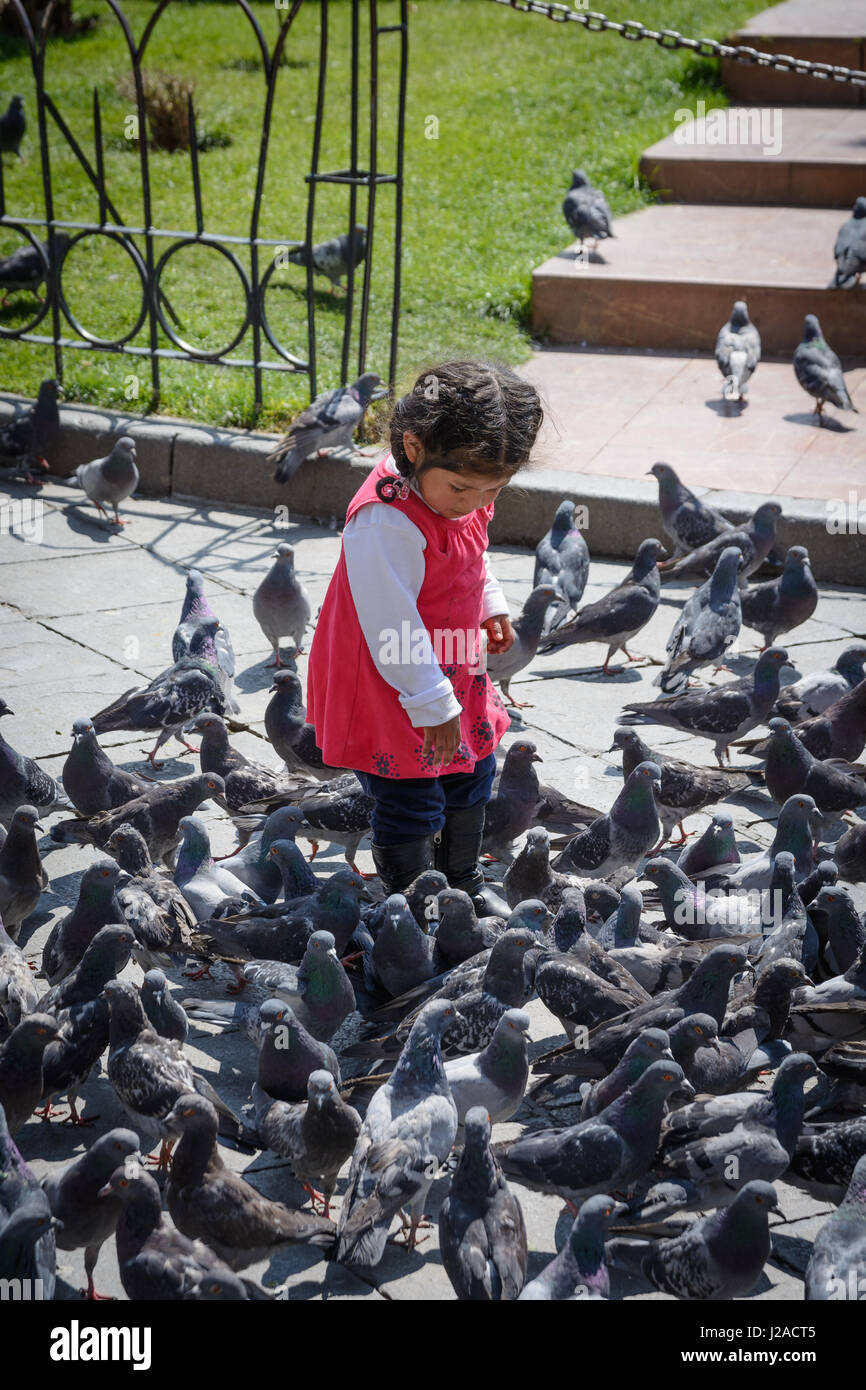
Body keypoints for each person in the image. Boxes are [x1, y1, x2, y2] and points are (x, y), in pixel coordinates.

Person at [306, 360, 543, 904]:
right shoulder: (386, 519)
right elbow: (391, 621)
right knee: (410, 793)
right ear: (413, 447)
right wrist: (431, 702)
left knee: (473, 773)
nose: (477, 503)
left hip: (453, 664)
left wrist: (489, 602)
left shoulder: (461, 489)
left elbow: (471, 556)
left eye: (494, 490)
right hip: (396, 676)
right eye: (463, 489)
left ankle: (460, 884)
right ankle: (411, 901)